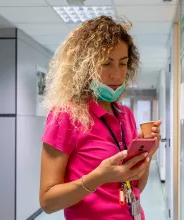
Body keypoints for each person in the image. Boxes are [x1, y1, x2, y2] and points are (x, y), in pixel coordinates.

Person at [39, 15, 162, 220]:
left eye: (123, 64)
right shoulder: (66, 115)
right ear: (84, 66)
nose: (117, 75)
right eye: (106, 63)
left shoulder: (126, 116)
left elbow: (136, 186)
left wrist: (146, 157)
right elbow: (48, 202)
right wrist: (97, 178)